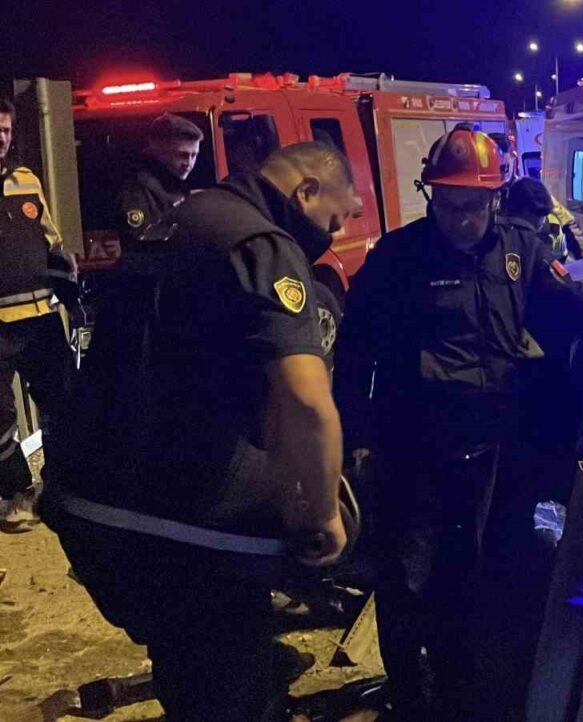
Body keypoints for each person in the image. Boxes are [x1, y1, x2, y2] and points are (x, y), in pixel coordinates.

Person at [334, 126, 583, 719]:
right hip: (417, 452)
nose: (459, 219)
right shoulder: (397, 259)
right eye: (447, 204)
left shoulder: (521, 253)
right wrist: (354, 438)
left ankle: (467, 692)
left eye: (472, 206)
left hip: (493, 451)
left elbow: (578, 309)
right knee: (409, 581)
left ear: (495, 198)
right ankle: (413, 700)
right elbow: (353, 353)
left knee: (482, 578)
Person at [42, 142, 361, 721]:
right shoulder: (261, 244)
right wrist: (324, 516)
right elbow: (306, 404)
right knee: (231, 689)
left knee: (189, 669)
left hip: (92, 504)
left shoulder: (181, 219)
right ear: (306, 191)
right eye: (335, 220)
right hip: (186, 524)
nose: (335, 235)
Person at [0, 98, 74, 533]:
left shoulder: (26, 180)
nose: (1, 137)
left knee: (61, 406)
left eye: (6, 130)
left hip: (41, 318)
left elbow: (51, 238)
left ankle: (59, 487)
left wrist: (69, 282)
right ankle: (16, 491)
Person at [117, 113, 204, 242]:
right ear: (159, 150)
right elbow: (142, 239)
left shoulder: (171, 183)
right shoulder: (137, 189)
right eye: (182, 155)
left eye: (194, 155)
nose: (189, 163)